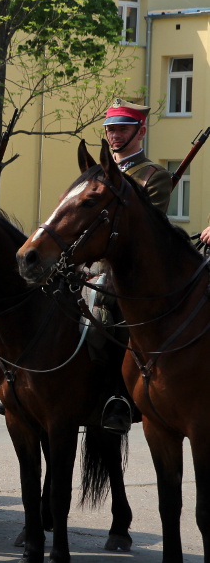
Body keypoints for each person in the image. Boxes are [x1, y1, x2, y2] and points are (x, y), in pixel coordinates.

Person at [96, 98, 173, 433]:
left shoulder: (154, 176)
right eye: (110, 128)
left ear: (140, 131)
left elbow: (146, 233)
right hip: (92, 260)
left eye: (122, 128)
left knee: (111, 311)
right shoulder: (96, 173)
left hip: (130, 270)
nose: (115, 134)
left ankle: (117, 397)